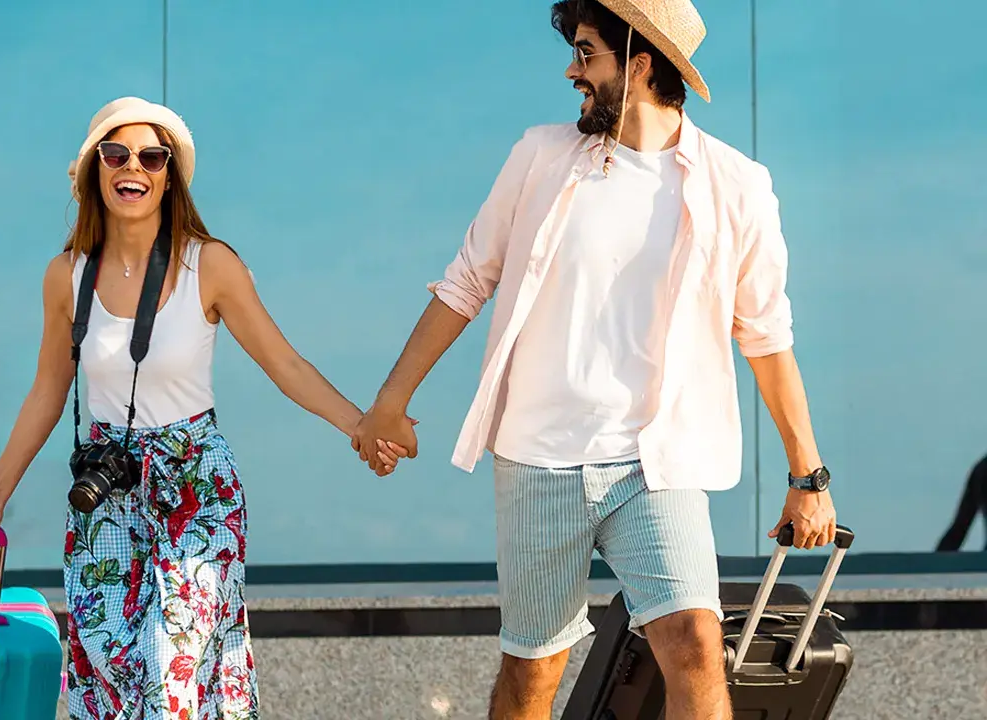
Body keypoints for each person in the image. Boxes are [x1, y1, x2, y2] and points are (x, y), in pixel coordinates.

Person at [350, 2, 838, 718]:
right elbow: (466, 282)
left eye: (587, 53)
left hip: (656, 464)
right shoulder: (540, 158)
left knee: (696, 645)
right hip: (539, 457)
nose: (571, 71)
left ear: (639, 63)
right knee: (532, 673)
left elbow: (765, 335)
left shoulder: (737, 185)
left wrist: (808, 476)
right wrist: (391, 401)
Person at [0, 96, 407, 720]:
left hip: (197, 488)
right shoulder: (66, 276)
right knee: (112, 679)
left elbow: (286, 364)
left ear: (169, 176)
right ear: (95, 171)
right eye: (116, 154)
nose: (132, 167)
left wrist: (360, 426)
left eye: (151, 156)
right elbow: (48, 391)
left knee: (173, 674)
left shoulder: (208, 264)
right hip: (107, 494)